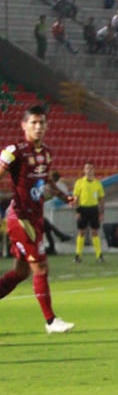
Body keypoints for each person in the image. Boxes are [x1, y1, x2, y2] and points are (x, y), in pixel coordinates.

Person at [0, 104, 76, 333]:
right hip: (19, 218)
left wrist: (65, 196)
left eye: (41, 122)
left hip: (35, 218)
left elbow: (46, 182)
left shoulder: (46, 153)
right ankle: (51, 321)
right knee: (40, 267)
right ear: (24, 125)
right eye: (33, 122)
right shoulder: (15, 151)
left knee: (21, 272)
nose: (38, 127)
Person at [72, 161, 105, 263]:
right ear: (84, 170)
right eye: (87, 168)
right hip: (83, 209)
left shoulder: (98, 183)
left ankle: (99, 255)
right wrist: (77, 211)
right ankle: (78, 255)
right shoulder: (79, 182)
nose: (89, 170)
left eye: (91, 168)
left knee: (95, 232)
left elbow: (101, 199)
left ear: (94, 170)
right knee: (81, 232)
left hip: (93, 209)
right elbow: (76, 198)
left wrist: (101, 212)